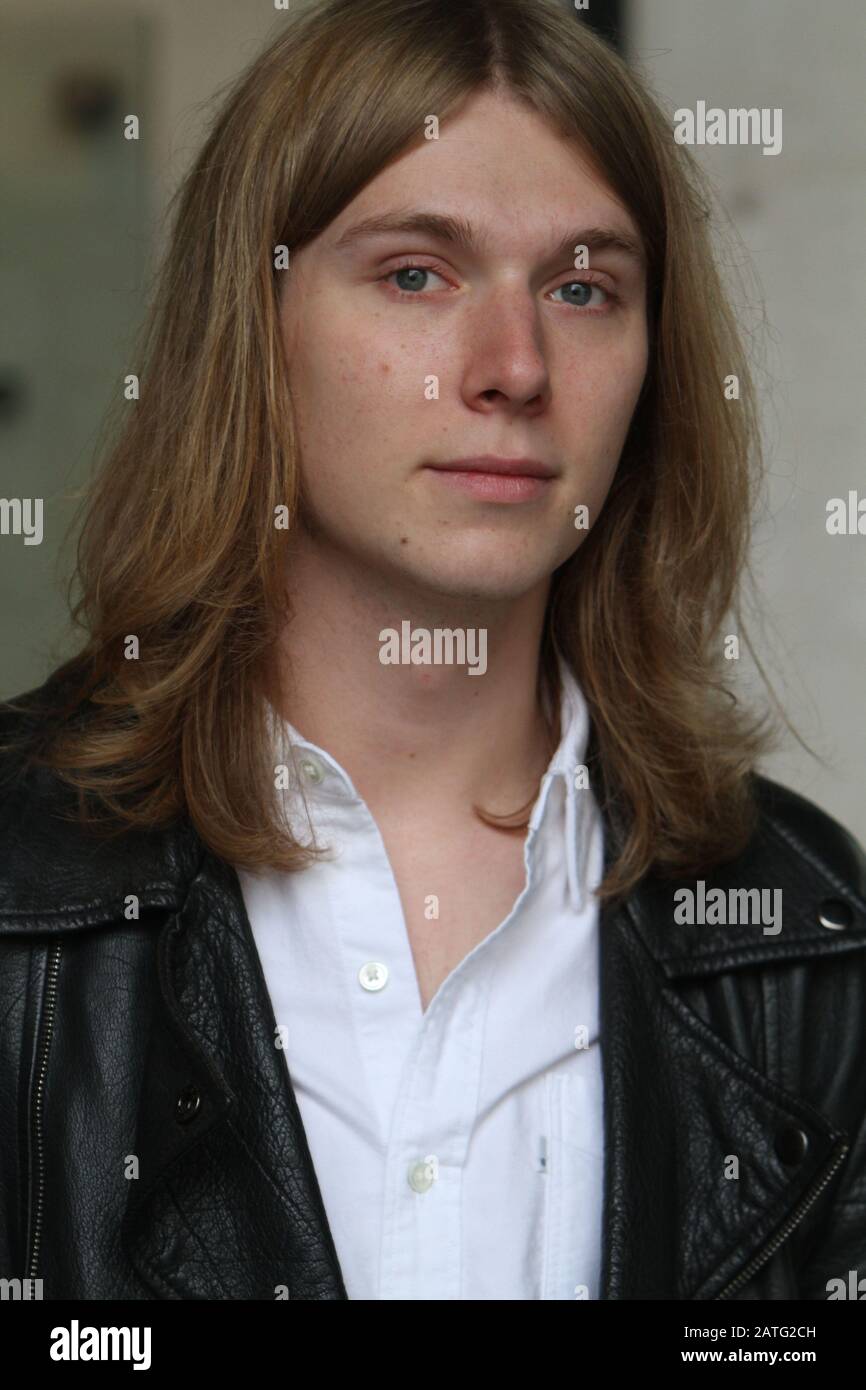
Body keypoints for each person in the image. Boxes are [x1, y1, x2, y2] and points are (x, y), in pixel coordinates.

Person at [1, 0, 864, 1302]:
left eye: (582, 288)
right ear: (255, 326)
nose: (514, 366)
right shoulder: (20, 872)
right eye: (416, 272)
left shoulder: (798, 919)